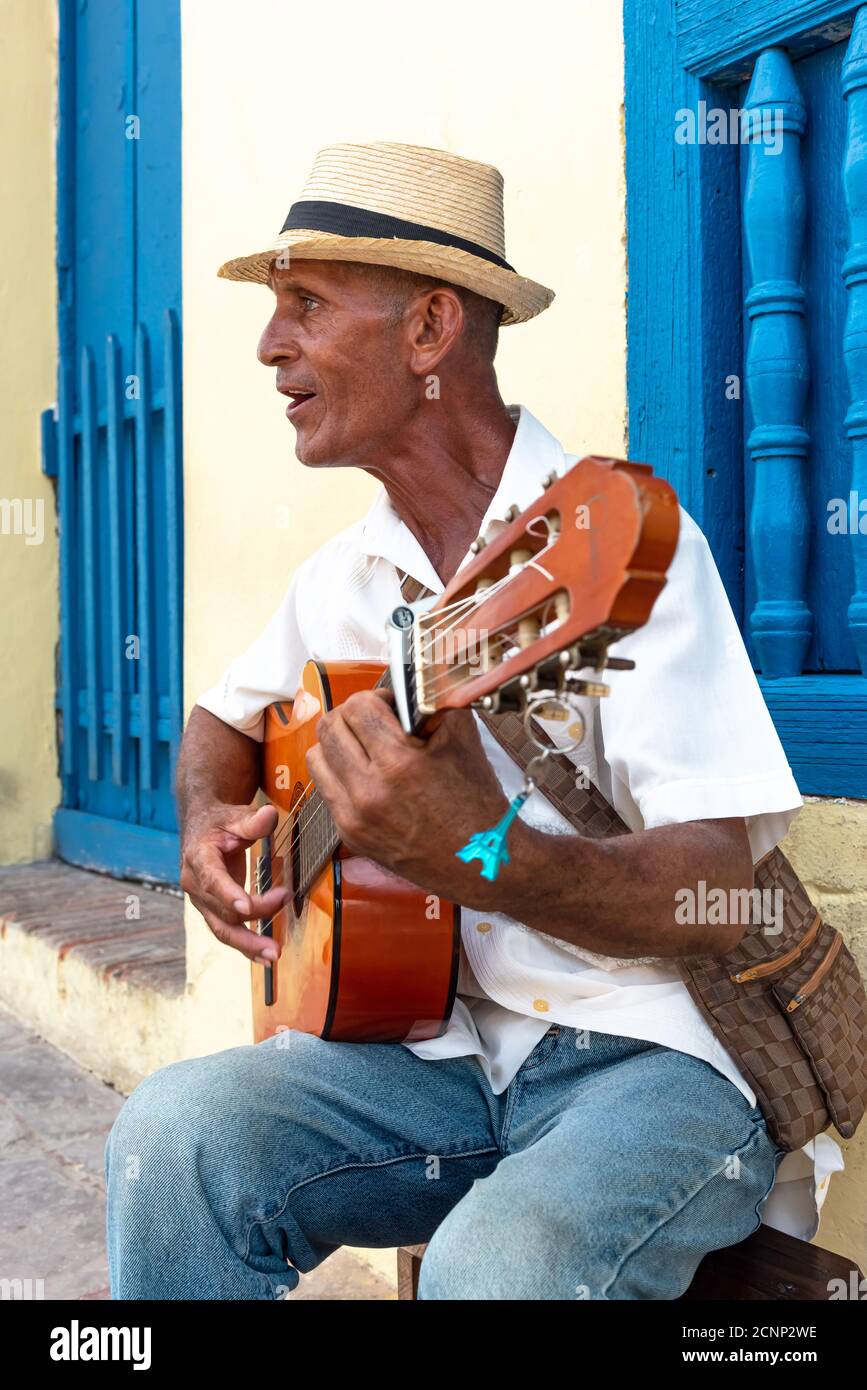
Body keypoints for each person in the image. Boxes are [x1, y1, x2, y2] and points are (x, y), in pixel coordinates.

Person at [104, 141, 840, 1300]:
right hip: (440, 1064)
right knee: (175, 1142)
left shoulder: (615, 553)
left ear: (431, 331)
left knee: (495, 1267)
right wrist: (205, 823)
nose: (268, 345)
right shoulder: (343, 580)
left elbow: (720, 891)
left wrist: (483, 851)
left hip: (654, 1063)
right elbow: (218, 724)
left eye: (304, 304)